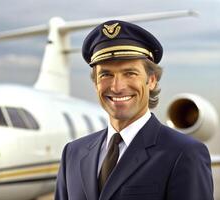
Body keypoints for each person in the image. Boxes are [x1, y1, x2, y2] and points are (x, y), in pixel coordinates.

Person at [54, 20, 214, 200]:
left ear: (151, 80)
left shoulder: (184, 153)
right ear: (95, 83)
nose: (116, 87)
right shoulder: (73, 153)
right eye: (106, 74)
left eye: (130, 73)